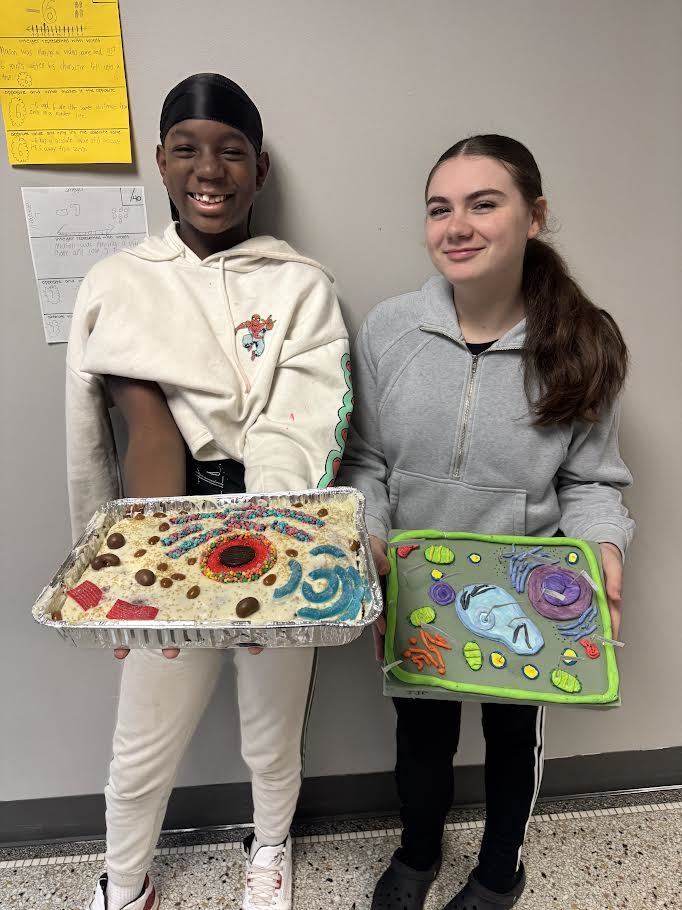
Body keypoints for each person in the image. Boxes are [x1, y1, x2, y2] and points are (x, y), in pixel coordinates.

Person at [65, 73, 351, 910]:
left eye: (231, 151)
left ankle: (269, 848)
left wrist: (265, 558)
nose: (209, 169)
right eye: (187, 148)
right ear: (159, 161)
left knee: (271, 731)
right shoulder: (117, 281)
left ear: (259, 169)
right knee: (141, 740)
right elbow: (90, 439)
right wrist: (104, 568)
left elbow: (301, 417)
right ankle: (125, 879)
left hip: (278, 528)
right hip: (158, 539)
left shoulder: (301, 285)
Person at [338, 134, 634, 910]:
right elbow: (363, 460)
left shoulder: (584, 342)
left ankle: (502, 869)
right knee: (421, 741)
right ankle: (417, 853)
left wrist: (600, 547)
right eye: (440, 209)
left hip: (527, 595)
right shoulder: (389, 331)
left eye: (483, 203)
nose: (457, 225)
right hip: (418, 592)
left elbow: (592, 480)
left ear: (534, 216)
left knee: (512, 742)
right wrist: (370, 538)